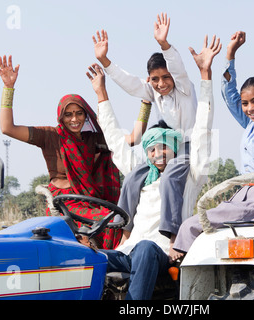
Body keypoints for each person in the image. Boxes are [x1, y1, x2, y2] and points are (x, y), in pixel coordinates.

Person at [87, 35, 221, 300]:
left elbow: (203, 128)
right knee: (85, 257)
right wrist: (102, 93)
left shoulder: (189, 172)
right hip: (130, 252)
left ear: (175, 147)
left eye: (164, 148)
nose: (159, 155)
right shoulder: (140, 175)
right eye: (152, 149)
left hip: (161, 252)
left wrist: (205, 75)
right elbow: (115, 139)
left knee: (147, 248)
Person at [174, 31, 254, 253]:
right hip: (243, 194)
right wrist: (230, 54)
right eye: (246, 103)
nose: (250, 108)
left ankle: (175, 265)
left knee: (192, 225)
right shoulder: (251, 124)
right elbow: (229, 95)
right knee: (202, 229)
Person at [0, 55, 122, 249]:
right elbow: (7, 128)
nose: (74, 119)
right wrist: (8, 88)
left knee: (116, 220)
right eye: (68, 114)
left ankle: (108, 268)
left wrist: (104, 92)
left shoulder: (92, 139)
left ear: (86, 116)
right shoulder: (50, 135)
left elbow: (126, 140)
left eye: (79, 113)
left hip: (90, 202)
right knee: (108, 221)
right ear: (61, 116)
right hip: (63, 204)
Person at [93, 13, 196, 240]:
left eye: (166, 77)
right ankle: (124, 228)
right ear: (149, 79)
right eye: (155, 79)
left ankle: (172, 234)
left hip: (186, 146)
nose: (161, 84)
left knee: (169, 178)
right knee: (131, 178)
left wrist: (164, 44)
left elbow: (178, 69)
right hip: (162, 145)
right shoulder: (152, 90)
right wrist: (105, 61)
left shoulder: (184, 89)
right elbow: (130, 83)